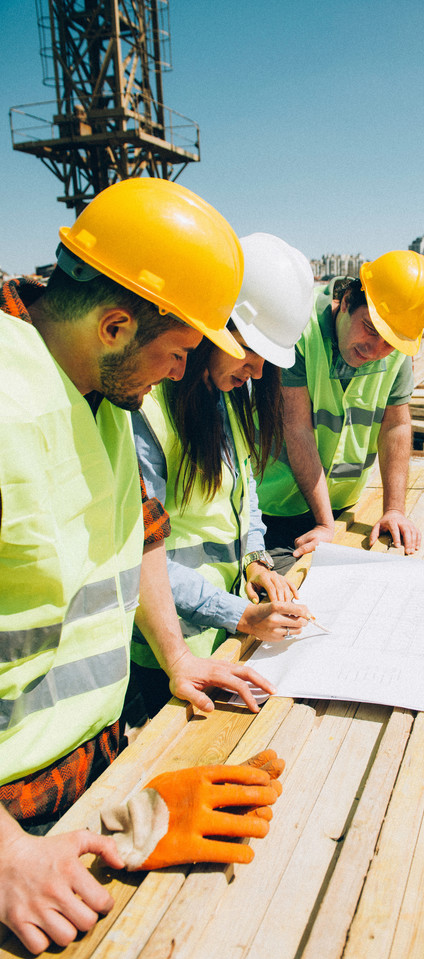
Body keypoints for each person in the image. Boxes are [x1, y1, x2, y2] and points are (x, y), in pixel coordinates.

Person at [0, 178, 279, 955]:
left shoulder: (96, 391)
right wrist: (7, 854)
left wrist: (178, 656)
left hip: (84, 774)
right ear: (116, 324)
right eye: (178, 351)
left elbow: (143, 537)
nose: (181, 373)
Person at [128, 232, 316, 721]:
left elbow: (244, 493)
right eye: (249, 350)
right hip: (166, 649)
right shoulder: (147, 411)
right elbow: (141, 555)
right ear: (213, 327)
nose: (257, 370)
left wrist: (255, 561)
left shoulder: (224, 393)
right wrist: (240, 614)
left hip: (220, 635)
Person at [255, 250, 424, 573]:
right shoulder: (301, 329)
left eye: (390, 342)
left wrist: (394, 510)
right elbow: (296, 427)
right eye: (370, 329)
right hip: (275, 508)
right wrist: (324, 523)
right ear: (347, 301)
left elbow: (396, 425)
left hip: (342, 507)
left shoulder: (395, 350)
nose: (376, 350)